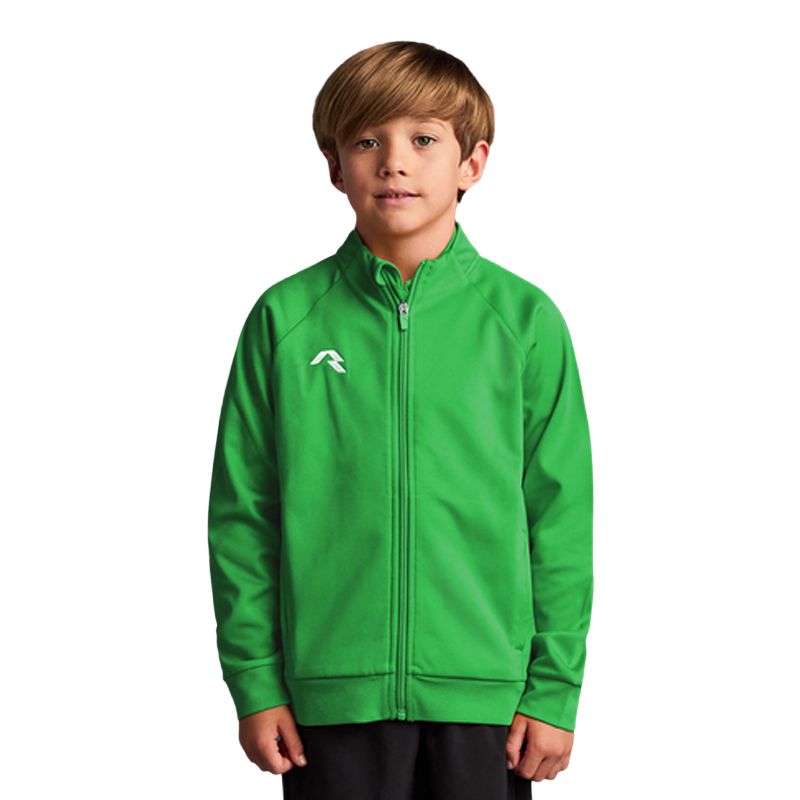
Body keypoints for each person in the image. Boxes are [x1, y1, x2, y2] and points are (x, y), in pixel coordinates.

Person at [207, 40, 594, 799]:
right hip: (331, 698)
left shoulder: (523, 322)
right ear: (333, 166)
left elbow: (559, 520)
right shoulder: (286, 319)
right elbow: (244, 515)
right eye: (366, 141)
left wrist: (553, 689)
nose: (393, 163)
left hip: (486, 699)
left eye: (423, 139)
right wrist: (255, 681)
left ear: (472, 163)